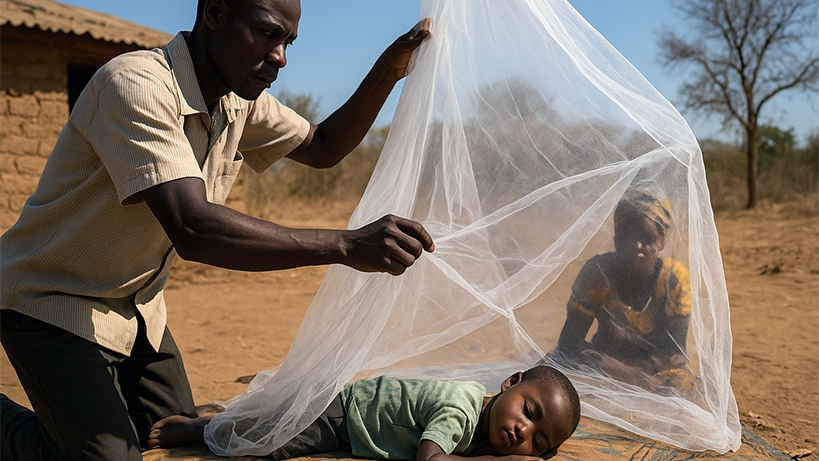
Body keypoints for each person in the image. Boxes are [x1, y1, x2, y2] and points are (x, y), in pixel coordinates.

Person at [0, 0, 434, 459]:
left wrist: (388, 69)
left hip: (137, 309)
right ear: (215, 12)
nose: (280, 57)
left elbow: (324, 146)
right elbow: (193, 226)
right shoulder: (135, 85)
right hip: (52, 300)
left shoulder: (236, 102)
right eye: (267, 34)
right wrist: (346, 244)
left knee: (187, 439)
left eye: (288, 42)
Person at [147, 365, 581, 460]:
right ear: (510, 382)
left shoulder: (490, 431)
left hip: (358, 423)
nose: (523, 431)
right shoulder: (462, 409)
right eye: (528, 411)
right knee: (267, 440)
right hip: (345, 414)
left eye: (538, 441)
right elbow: (431, 460)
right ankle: (199, 429)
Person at [553, 191, 693, 393]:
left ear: (661, 242)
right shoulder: (597, 274)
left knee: (681, 387)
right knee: (552, 376)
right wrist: (625, 374)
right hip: (602, 366)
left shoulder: (674, 280)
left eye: (647, 238)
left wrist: (642, 376)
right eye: (629, 237)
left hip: (654, 373)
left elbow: (676, 353)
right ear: (617, 239)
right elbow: (569, 343)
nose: (637, 246)